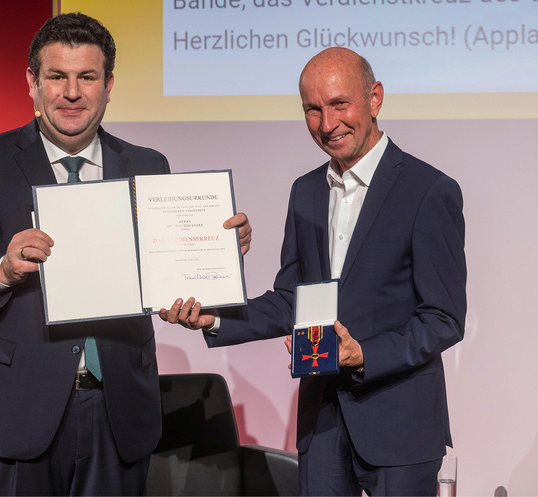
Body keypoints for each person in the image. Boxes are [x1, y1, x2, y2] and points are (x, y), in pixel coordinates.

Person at [0, 13, 251, 496]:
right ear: (32, 82)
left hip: (117, 411)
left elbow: (166, 269)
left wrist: (218, 251)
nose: (71, 92)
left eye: (87, 77)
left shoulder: (148, 165)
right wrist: (1, 270)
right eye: (57, 77)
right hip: (16, 409)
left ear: (108, 85)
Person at [160, 47, 467, 496]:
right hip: (322, 424)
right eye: (312, 109)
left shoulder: (429, 190)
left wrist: (364, 355)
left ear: (375, 98)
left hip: (401, 425)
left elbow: (443, 318)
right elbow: (292, 299)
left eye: (340, 104)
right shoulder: (305, 192)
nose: (327, 124)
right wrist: (215, 316)